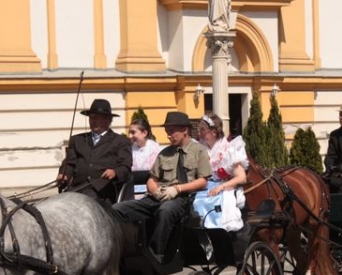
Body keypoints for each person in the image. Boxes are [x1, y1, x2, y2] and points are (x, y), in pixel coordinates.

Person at [113, 111, 211, 262]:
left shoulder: (198, 151)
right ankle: (122, 253)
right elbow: (151, 179)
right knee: (118, 210)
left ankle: (154, 255)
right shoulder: (164, 153)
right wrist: (155, 191)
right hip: (156, 198)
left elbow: (203, 181)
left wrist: (177, 189)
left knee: (165, 211)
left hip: (182, 200)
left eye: (172, 131)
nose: (168, 135)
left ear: (185, 130)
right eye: (167, 131)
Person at [57, 99, 132, 205]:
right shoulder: (77, 140)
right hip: (76, 189)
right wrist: (64, 174)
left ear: (108, 119)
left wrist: (114, 172)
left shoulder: (120, 142)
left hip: (102, 193)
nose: (93, 121)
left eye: (97, 118)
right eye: (91, 118)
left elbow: (125, 167)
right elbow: (69, 163)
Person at [195, 113, 248, 231]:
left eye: (203, 130)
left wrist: (221, 187)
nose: (200, 133)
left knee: (210, 202)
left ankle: (217, 232)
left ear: (213, 132)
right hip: (204, 186)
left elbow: (241, 177)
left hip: (225, 188)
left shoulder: (228, 149)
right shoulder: (200, 148)